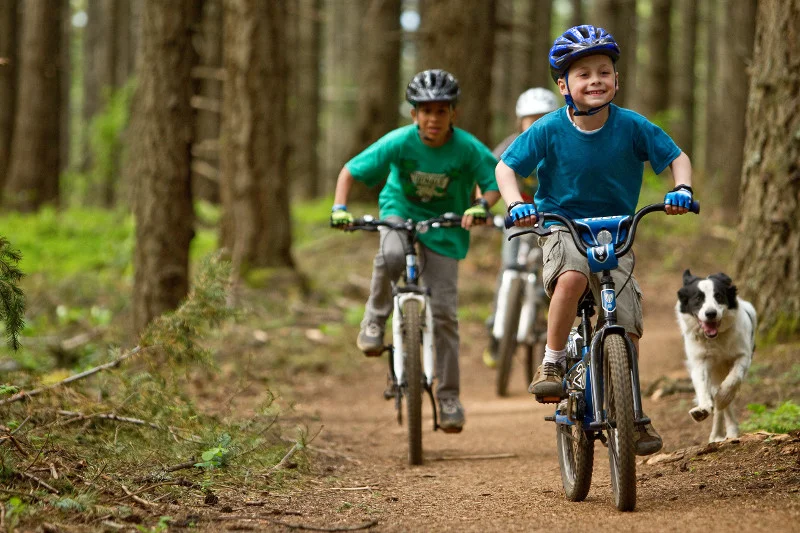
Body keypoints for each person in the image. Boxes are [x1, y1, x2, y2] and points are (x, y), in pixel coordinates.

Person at [496, 25, 695, 456]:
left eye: (604, 71)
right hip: (562, 226)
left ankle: (631, 412)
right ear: (564, 85)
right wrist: (516, 204)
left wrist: (682, 189)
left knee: (626, 328)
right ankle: (551, 358)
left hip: (615, 231)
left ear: (617, 80)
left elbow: (677, 158)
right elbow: (506, 168)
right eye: (583, 74)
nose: (595, 80)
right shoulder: (548, 129)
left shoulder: (632, 126)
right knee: (572, 279)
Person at [330, 69, 501, 433]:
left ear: (453, 113)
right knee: (390, 255)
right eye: (425, 111)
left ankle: (449, 397)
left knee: (444, 315)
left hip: (445, 226)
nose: (432, 118)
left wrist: (481, 206)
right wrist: (339, 208)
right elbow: (350, 171)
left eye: (441, 111)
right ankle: (374, 321)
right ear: (414, 115)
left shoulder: (468, 147)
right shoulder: (400, 141)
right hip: (400, 213)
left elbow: (495, 180)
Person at [484, 88, 559, 367]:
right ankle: (496, 328)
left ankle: (544, 313)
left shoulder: (558, 143)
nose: (536, 123)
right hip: (518, 217)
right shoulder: (510, 145)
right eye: (531, 119)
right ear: (520, 121)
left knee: (551, 268)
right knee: (509, 269)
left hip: (552, 218)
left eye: (543, 118)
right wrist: (484, 208)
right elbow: (489, 175)